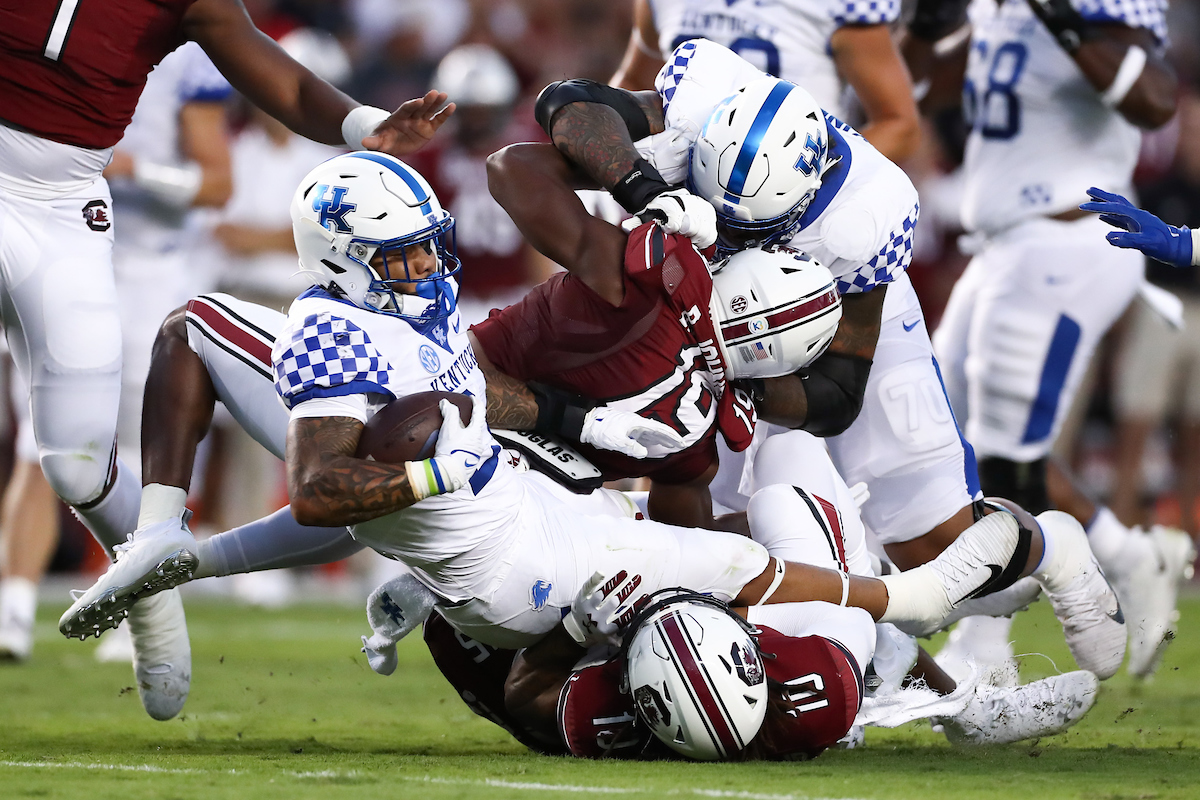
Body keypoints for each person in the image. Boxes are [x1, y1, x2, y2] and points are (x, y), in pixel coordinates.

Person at [60, 153, 1029, 672]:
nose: (430, 266)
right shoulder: (337, 333)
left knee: (715, 560)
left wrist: (580, 427)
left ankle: (176, 552)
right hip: (506, 563)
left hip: (515, 516)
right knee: (723, 567)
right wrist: (451, 467)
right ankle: (902, 617)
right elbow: (322, 493)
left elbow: (471, 408)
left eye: (429, 245)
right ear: (344, 263)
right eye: (404, 256)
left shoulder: (406, 317)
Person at [530, 39, 1127, 681]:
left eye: (749, 227)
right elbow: (566, 103)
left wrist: (741, 388)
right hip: (717, 321)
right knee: (715, 531)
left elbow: (840, 393)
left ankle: (1055, 550)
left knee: (936, 548)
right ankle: (856, 656)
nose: (729, 234)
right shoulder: (704, 95)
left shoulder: (869, 212)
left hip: (837, 320)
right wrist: (645, 189)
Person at [0, 0, 458, 717]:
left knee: (77, 464)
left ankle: (146, 578)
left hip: (62, 209)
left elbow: (279, 78)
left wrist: (362, 125)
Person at [905, 0, 1189, 679]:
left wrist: (1057, 13)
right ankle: (1130, 557)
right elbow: (925, 91)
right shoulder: (992, 9)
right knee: (942, 443)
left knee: (1004, 460)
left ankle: (984, 647)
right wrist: (930, 27)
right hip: (1002, 247)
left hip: (1066, 243)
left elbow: (1155, 102)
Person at [0, 39, 234, 673]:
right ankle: (13, 612)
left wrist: (135, 171)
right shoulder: (38, 29)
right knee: (39, 444)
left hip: (145, 271)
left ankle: (139, 609)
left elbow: (219, 184)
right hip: (53, 254)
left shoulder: (182, 52)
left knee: (140, 449)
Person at [610, 0, 922, 162]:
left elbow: (899, 124)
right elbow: (634, 81)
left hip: (790, 197)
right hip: (679, 183)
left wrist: (816, 173)